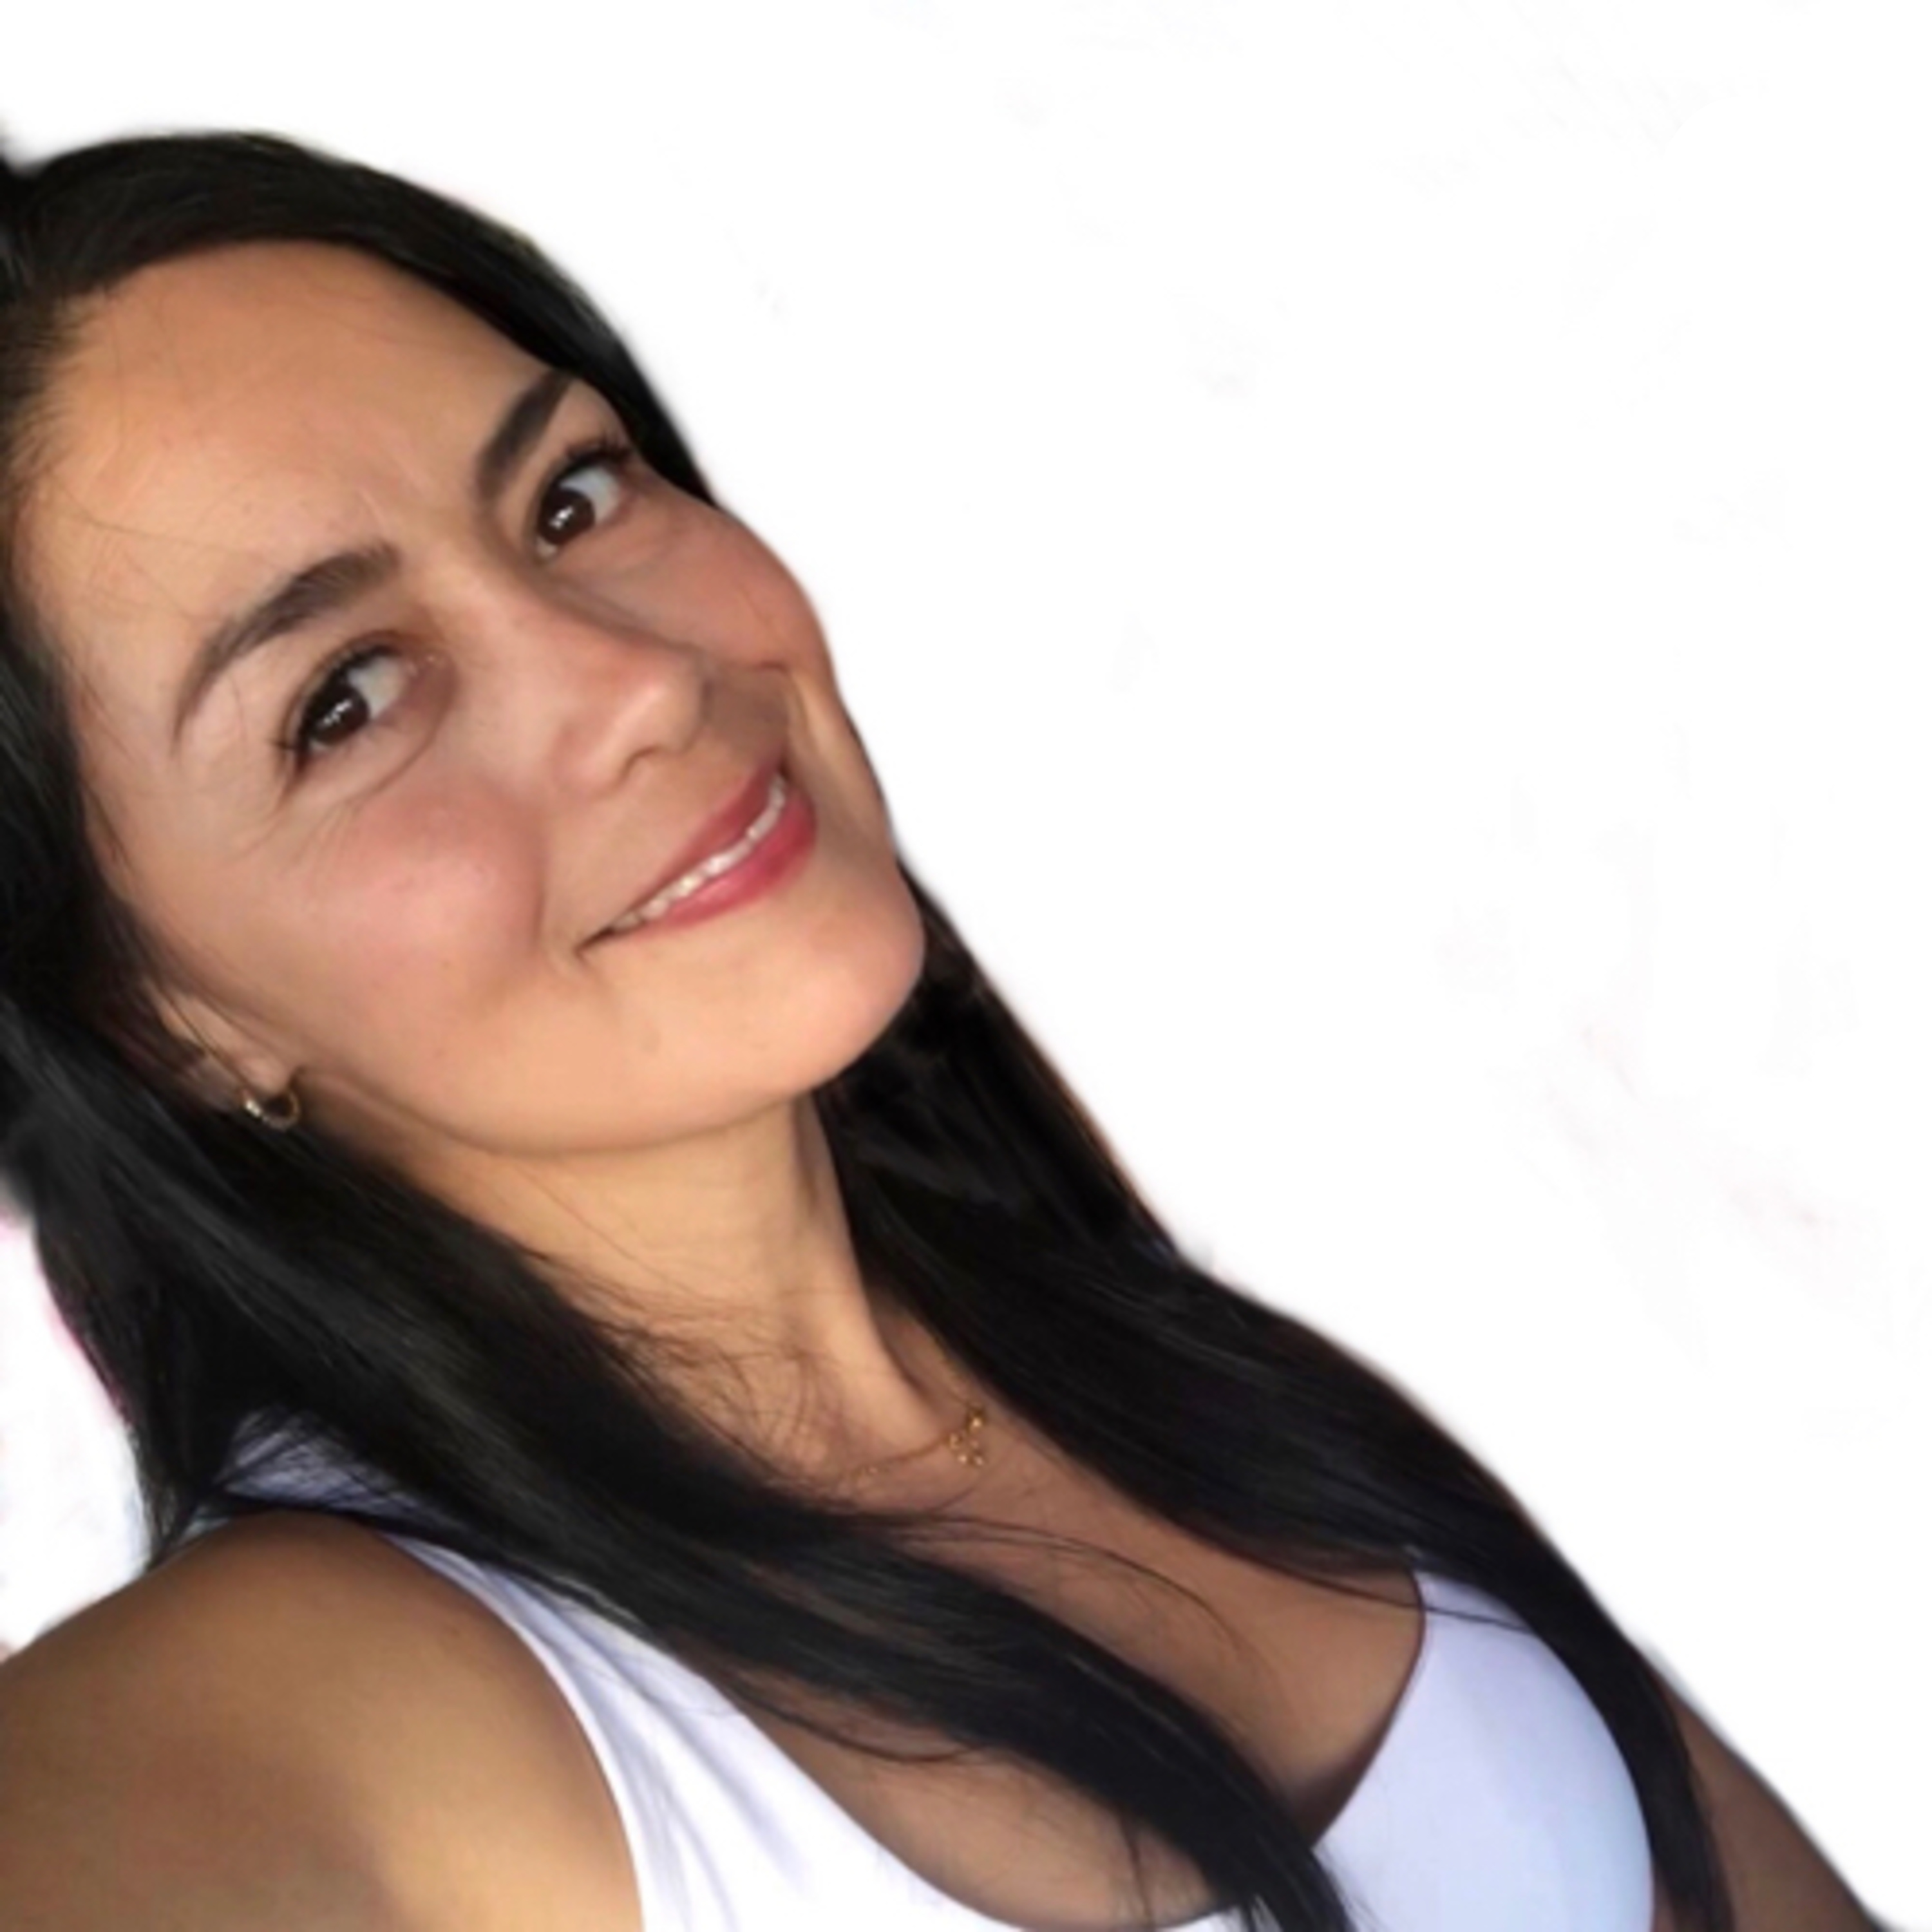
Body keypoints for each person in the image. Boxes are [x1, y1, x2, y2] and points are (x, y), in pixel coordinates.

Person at [0, 128, 1875, 1932]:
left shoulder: (1188, 1389)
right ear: (149, 1017)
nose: (641, 680)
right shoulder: (321, 1722)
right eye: (346, 698)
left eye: (571, 497)